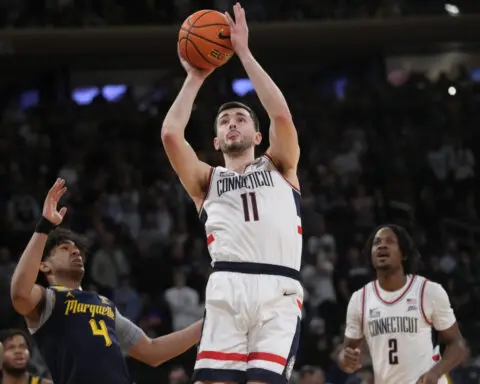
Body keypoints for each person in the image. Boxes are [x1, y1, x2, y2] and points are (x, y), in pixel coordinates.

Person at [161, 3, 303, 383]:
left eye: (241, 118)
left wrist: (243, 52)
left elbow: (282, 117)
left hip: (279, 290)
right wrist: (195, 75)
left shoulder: (281, 166)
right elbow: (171, 135)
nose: (232, 123)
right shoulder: (207, 181)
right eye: (225, 120)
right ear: (217, 139)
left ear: (258, 136)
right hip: (227, 285)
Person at [10, 178, 203, 384]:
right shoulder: (48, 299)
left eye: (76, 249)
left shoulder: (105, 304)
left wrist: (207, 323)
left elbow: (152, 351)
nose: (75, 251)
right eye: (64, 249)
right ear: (44, 266)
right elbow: (20, 294)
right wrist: (45, 226)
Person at [338, 224, 468, 384]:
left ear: (403, 254)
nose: (382, 245)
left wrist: (436, 372)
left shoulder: (428, 291)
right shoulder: (360, 299)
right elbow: (347, 353)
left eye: (390, 241)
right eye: (377, 242)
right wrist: (345, 360)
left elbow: (458, 344)